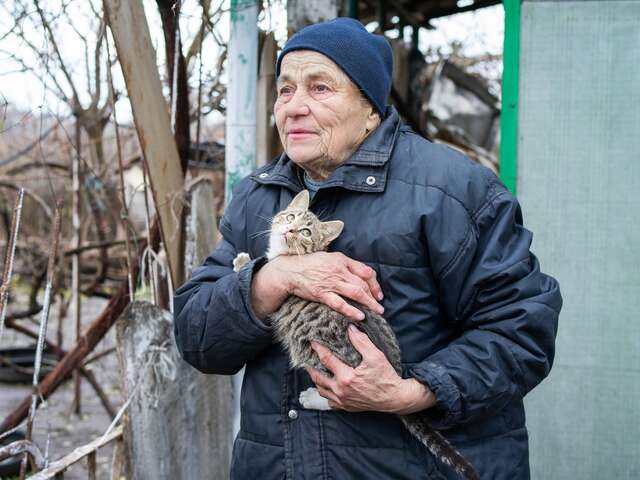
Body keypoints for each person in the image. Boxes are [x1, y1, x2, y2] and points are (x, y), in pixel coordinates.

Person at [173, 17, 561, 480]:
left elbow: (522, 331)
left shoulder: (453, 191)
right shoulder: (257, 197)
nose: (293, 107)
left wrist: (410, 391)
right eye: (285, 90)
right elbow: (197, 337)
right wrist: (269, 280)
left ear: (371, 108)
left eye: (319, 88)